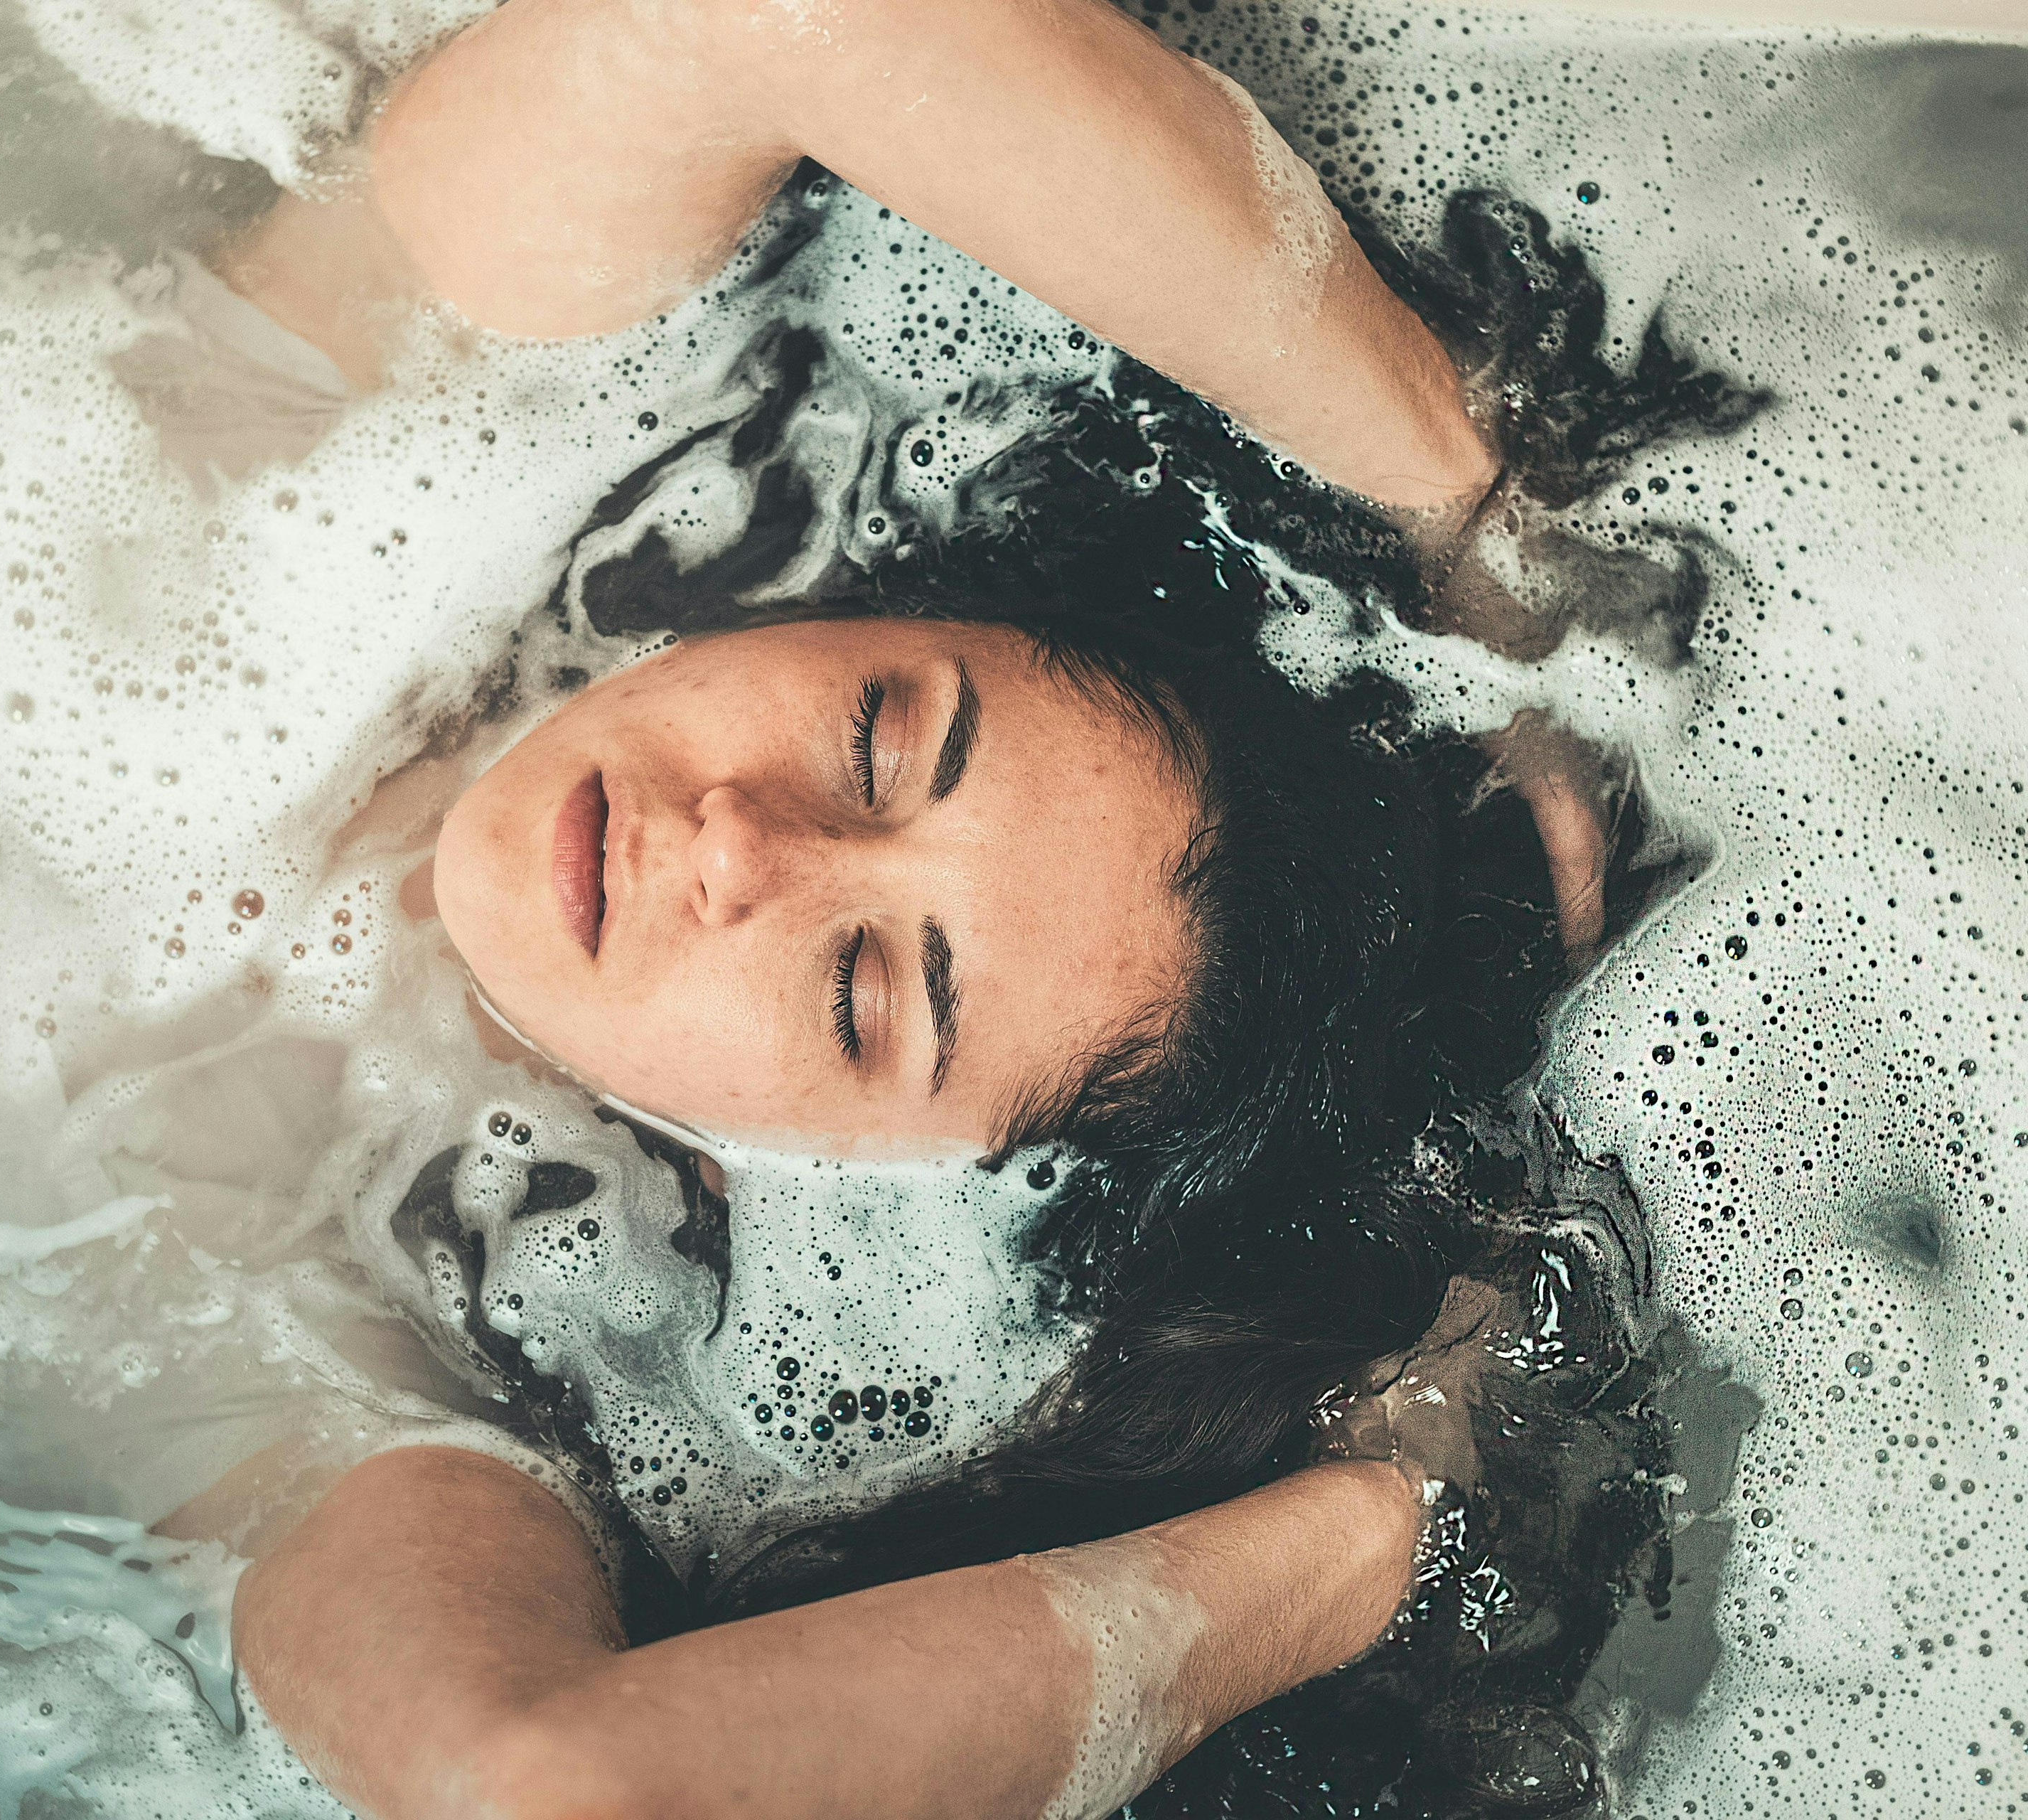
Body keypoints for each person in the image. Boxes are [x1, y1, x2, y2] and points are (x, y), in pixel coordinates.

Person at [141, 0, 1634, 1812]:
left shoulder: (287, 1321)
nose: (736, 848)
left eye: (861, 994)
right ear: (871, 594)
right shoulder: (277, 457)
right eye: (879, 734)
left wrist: (1387, 1516)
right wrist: (1468, 507)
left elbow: (536, 1779)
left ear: (797, 1190)